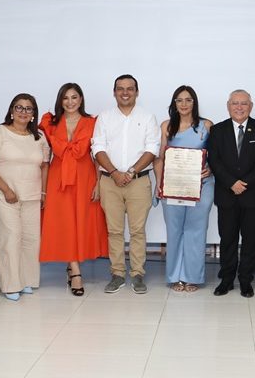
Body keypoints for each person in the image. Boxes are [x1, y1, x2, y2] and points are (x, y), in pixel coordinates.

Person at [92, 74, 160, 294]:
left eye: (130, 88)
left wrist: (130, 172)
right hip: (110, 182)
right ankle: (117, 274)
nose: (125, 92)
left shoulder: (148, 117)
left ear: (137, 92)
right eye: (120, 88)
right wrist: (114, 172)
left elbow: (152, 149)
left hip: (138, 182)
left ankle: (138, 274)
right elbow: (98, 148)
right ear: (114, 92)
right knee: (114, 231)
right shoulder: (104, 117)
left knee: (138, 231)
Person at [39, 83, 108, 297]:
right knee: (65, 222)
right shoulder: (49, 122)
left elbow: (98, 155)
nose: (70, 102)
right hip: (58, 177)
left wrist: (98, 183)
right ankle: (75, 270)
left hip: (85, 176)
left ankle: (72, 266)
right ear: (60, 101)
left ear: (81, 99)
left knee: (81, 222)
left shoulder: (93, 122)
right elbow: (42, 153)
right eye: (65, 98)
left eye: (74, 97)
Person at [0, 94, 50, 301]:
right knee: (10, 238)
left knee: (30, 239)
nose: (23, 112)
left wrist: (43, 192)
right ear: (11, 110)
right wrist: (6, 190)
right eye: (19, 107)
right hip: (3, 195)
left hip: (31, 195)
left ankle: (26, 280)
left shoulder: (39, 137)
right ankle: (11, 285)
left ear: (33, 114)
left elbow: (44, 165)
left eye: (28, 108)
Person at [207, 89, 255, 298]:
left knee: (251, 240)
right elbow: (214, 160)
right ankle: (226, 280)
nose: (239, 107)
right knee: (227, 239)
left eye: (244, 103)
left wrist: (244, 183)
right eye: (235, 103)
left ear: (250, 106)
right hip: (226, 194)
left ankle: (246, 280)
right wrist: (231, 183)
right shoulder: (217, 130)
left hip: (253, 194)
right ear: (228, 106)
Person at [153, 85, 214, 292]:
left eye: (188, 100)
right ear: (174, 103)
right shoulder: (166, 126)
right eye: (179, 100)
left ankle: (192, 277)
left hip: (201, 186)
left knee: (196, 230)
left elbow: (217, 155)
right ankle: (175, 276)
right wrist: (159, 183)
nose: (184, 104)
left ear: (194, 103)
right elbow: (159, 158)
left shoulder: (206, 125)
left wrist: (211, 169)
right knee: (174, 230)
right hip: (172, 186)